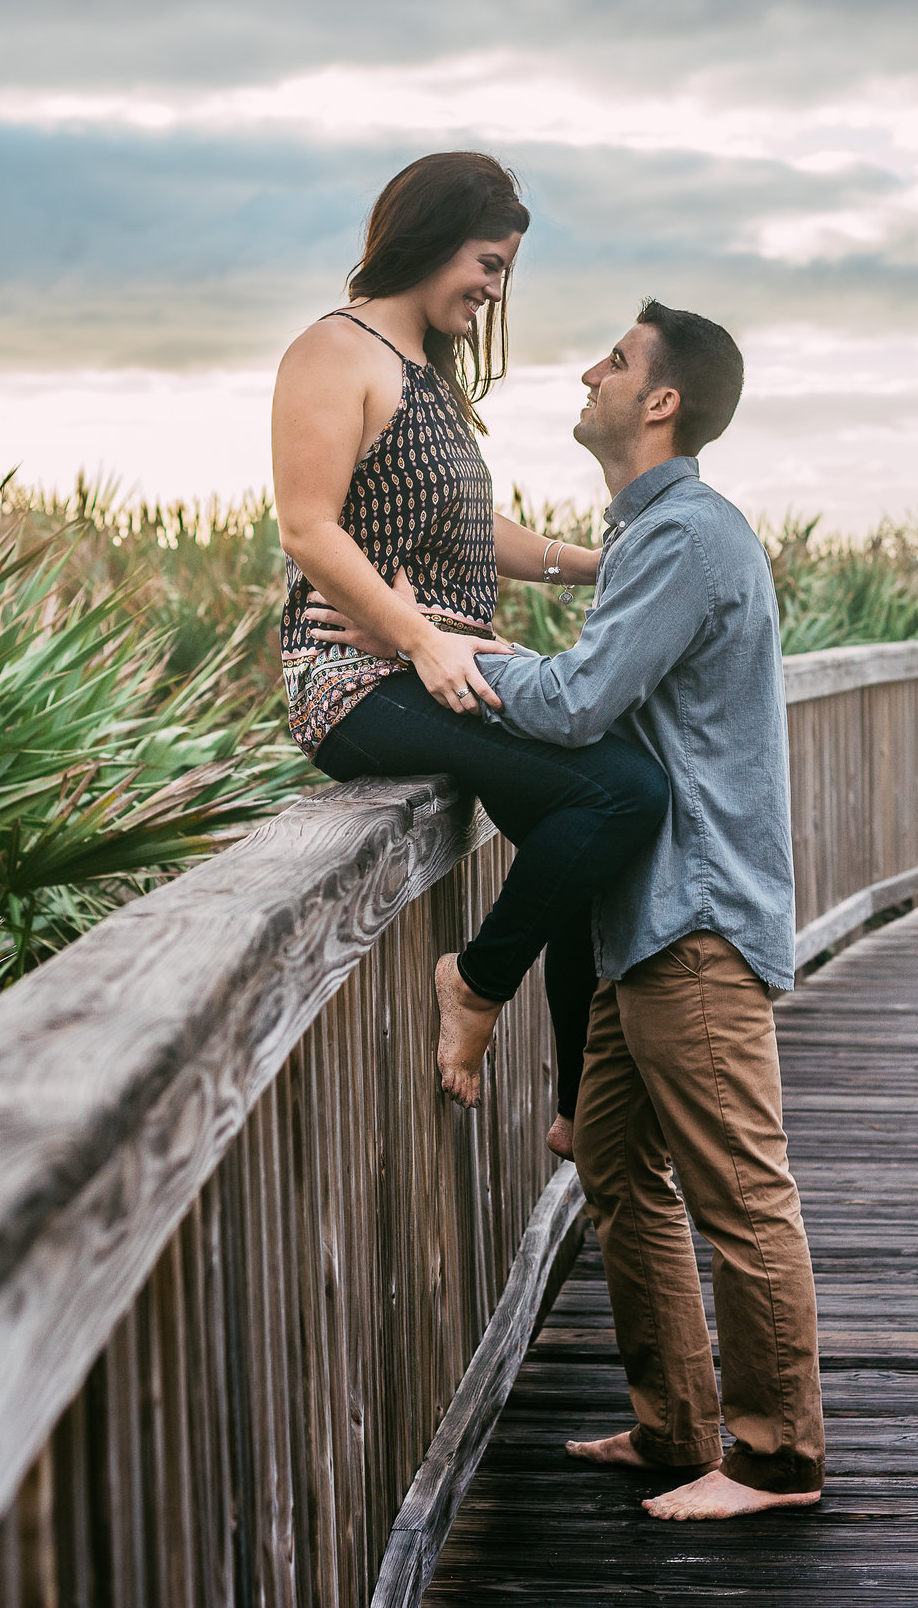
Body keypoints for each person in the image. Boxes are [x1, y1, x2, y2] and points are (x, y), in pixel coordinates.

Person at [311, 301, 825, 1520]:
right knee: (612, 1164)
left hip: (693, 915)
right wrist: (470, 638)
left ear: (660, 404)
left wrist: (429, 642)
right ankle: (673, 1425)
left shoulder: (688, 534)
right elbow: (612, 697)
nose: (589, 371)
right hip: (645, 917)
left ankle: (775, 1457)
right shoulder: (657, 536)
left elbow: (585, 703)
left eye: (616, 360)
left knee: (741, 1194)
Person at [274, 152, 667, 1146]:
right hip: (355, 681)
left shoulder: (429, 380)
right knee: (621, 791)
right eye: (487, 264)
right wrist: (419, 642)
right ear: (433, 239)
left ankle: (580, 1109)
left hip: (446, 663)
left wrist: (608, 565)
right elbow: (309, 529)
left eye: (504, 272)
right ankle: (476, 983)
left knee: (586, 837)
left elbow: (476, 527)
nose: (495, 290)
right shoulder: (335, 351)